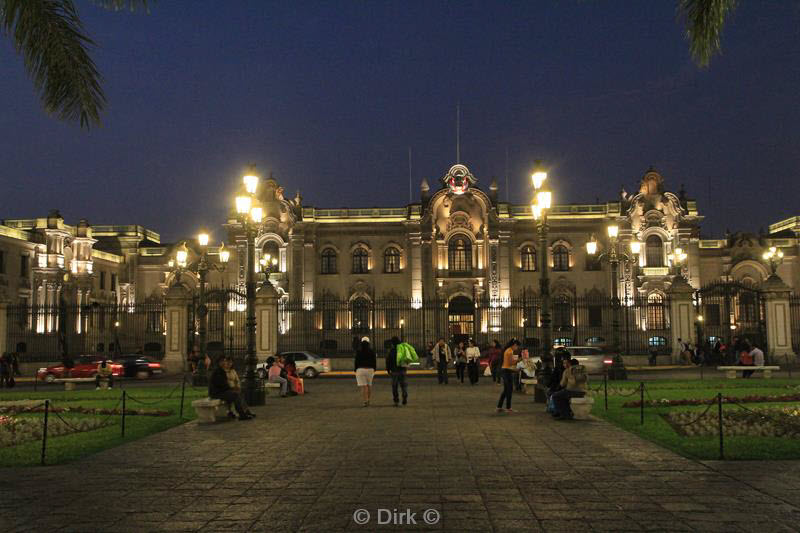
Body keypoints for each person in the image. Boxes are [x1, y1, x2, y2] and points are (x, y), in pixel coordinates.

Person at [209, 356, 253, 420]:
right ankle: (242, 414)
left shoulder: (221, 371)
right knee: (235, 395)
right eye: (222, 361)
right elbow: (221, 384)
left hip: (221, 391)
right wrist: (231, 389)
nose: (224, 363)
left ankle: (244, 412)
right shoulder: (217, 371)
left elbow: (229, 383)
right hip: (216, 393)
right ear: (218, 363)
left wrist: (235, 388)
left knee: (237, 394)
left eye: (224, 361)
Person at [496, 339, 520, 413]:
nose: (517, 348)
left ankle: (499, 407)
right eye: (517, 346)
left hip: (505, 370)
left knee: (506, 390)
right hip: (507, 371)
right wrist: (519, 360)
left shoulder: (508, 350)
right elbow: (510, 363)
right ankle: (508, 408)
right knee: (509, 390)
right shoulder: (509, 351)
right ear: (514, 345)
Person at [386, 337, 409, 406]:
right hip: (402, 370)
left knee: (394, 386)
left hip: (394, 371)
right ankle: (404, 395)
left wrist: (388, 370)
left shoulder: (391, 351)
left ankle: (396, 400)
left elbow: (388, 361)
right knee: (403, 385)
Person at [354, 337, 376, 407]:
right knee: (369, 385)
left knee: (364, 387)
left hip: (360, 369)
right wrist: (374, 368)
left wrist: (355, 369)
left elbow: (356, 361)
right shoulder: (372, 351)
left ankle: (365, 401)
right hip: (370, 369)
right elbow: (374, 361)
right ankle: (368, 399)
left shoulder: (359, 351)